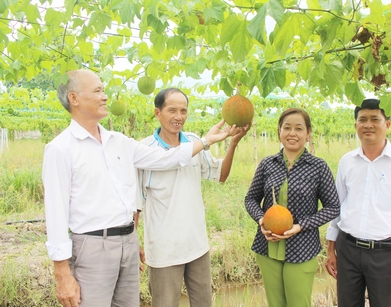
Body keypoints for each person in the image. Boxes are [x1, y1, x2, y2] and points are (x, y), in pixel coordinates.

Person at [42, 70, 238, 307]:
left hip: (127, 243)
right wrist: (62, 273)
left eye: (103, 90)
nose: (105, 97)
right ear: (74, 98)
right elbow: (55, 214)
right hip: (93, 245)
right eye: (98, 91)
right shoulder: (60, 149)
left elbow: (166, 159)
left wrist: (206, 141)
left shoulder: (119, 142)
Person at [136, 88, 250, 307]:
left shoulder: (194, 141)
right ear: (157, 113)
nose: (178, 117)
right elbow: (136, 204)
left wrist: (233, 142)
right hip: (164, 251)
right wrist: (134, 241)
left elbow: (221, 175)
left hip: (197, 247)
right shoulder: (145, 150)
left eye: (183, 110)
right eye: (172, 110)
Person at [325, 98, 391, 307]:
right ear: (356, 126)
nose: (368, 125)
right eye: (362, 120)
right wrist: (330, 249)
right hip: (348, 250)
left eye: (374, 119)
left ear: (387, 124)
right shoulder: (347, 162)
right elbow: (338, 207)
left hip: (386, 254)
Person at [244, 108, 340, 307]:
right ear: (279, 131)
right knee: (275, 304)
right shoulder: (267, 164)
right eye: (287, 128)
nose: (292, 133)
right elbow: (251, 199)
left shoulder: (318, 167)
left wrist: (300, 226)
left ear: (308, 133)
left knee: (298, 303)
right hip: (267, 247)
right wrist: (262, 220)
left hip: (302, 248)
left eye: (299, 128)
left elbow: (333, 207)